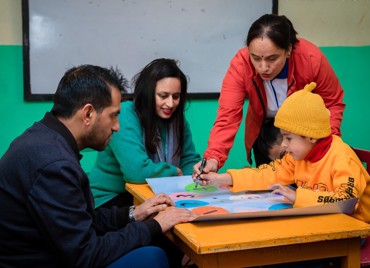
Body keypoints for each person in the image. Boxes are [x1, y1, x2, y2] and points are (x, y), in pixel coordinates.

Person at [0, 64, 196, 268]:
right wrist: (154, 226)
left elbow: (82, 219)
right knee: (153, 257)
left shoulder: (44, 139)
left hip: (50, 251)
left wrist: (134, 213)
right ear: (88, 114)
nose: (117, 126)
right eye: (113, 115)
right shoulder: (54, 164)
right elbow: (86, 254)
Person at [194, 82, 370, 225]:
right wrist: (221, 179)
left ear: (311, 136)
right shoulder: (299, 157)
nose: (284, 146)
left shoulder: (342, 158)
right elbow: (267, 174)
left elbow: (347, 202)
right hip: (323, 221)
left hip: (354, 228)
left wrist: (298, 196)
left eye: (288, 138)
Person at [193, 14, 345, 174]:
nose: (263, 67)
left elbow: (332, 103)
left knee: (306, 188)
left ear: (288, 50)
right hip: (266, 135)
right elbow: (227, 117)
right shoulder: (241, 64)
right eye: (255, 58)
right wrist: (213, 157)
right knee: (267, 185)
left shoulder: (311, 59)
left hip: (304, 135)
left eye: (272, 58)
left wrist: (326, 147)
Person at [89, 58, 200, 209]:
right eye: (163, 96)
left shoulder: (177, 118)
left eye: (176, 96)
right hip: (111, 199)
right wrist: (174, 172)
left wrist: (195, 178)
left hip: (153, 195)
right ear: (148, 93)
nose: (170, 104)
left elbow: (188, 159)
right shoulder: (125, 115)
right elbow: (136, 172)